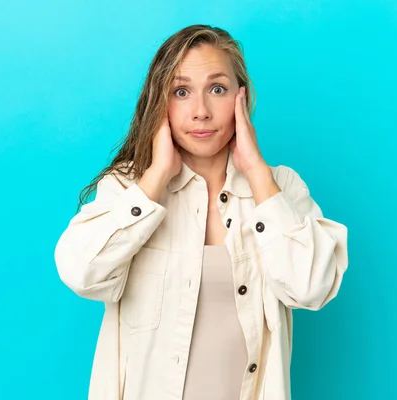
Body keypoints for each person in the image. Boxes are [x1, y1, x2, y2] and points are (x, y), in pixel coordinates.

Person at [54, 24, 349, 400]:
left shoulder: (279, 187)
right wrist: (157, 176)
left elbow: (313, 288)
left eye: (217, 89)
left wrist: (257, 173)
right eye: (181, 92)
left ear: (241, 99)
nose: (200, 112)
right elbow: (81, 272)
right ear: (160, 103)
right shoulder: (129, 188)